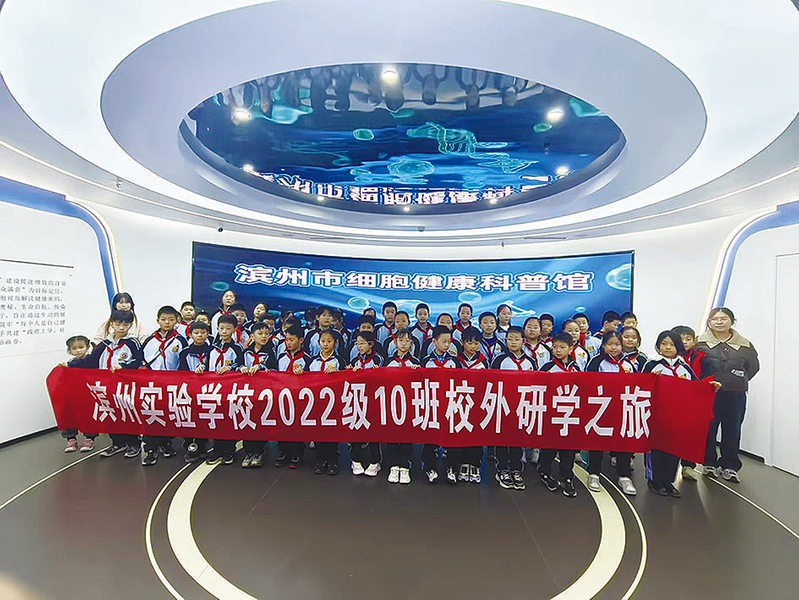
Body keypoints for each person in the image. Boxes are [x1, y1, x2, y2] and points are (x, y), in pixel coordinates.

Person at [697, 307, 759, 483]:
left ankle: (730, 466)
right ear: (709, 322)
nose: (719, 322)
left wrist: (735, 380)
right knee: (708, 429)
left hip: (735, 394)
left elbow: (752, 368)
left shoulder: (745, 344)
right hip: (708, 394)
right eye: (715, 319)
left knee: (733, 430)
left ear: (732, 322)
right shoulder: (699, 343)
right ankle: (709, 462)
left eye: (723, 318)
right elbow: (694, 366)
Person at [642, 330, 703, 497]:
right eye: (664, 344)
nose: (668, 347)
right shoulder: (652, 365)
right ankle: (654, 480)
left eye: (672, 344)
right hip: (657, 416)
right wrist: (651, 379)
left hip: (678, 417)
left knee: (674, 449)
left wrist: (710, 387)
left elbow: (696, 387)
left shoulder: (684, 367)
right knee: (656, 448)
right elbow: (640, 386)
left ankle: (668, 480)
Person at [77, 310, 143, 458]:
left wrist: (124, 367)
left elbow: (138, 360)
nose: (121, 327)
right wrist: (70, 364)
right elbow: (91, 360)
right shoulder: (104, 344)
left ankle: (134, 444)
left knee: (127, 414)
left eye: (126, 324)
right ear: (112, 324)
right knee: (111, 415)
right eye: (118, 324)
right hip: (105, 387)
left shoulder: (133, 343)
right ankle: (118, 443)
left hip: (125, 387)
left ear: (130, 325)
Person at [585, 331, 637, 496]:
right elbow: (588, 383)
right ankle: (594, 473)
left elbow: (637, 384)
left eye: (617, 344)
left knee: (623, 441)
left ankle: (624, 476)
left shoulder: (628, 364)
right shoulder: (596, 362)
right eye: (610, 344)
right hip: (601, 408)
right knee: (597, 441)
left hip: (622, 408)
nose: (614, 348)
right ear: (603, 345)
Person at [140, 306, 187, 465]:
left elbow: (183, 363)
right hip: (152, 385)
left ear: (176, 321)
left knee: (168, 414)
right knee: (151, 414)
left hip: (172, 385)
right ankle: (150, 449)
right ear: (158, 320)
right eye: (164, 319)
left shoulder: (181, 340)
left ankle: (166, 443)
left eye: (171, 319)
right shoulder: (149, 341)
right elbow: (141, 360)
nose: (167, 322)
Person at [537, 331, 581, 498]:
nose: (558, 350)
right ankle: (544, 471)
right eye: (555, 347)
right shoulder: (547, 367)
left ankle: (567, 476)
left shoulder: (576, 368)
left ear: (571, 348)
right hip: (551, 413)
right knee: (549, 446)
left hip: (569, 413)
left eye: (562, 347)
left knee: (568, 448)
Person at [491, 325, 535, 491]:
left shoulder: (530, 362)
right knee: (502, 440)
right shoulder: (499, 360)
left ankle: (516, 470)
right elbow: (491, 383)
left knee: (517, 440)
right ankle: (502, 469)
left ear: (523, 341)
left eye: (517, 339)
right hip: (503, 406)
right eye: (510, 339)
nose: (513, 342)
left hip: (522, 407)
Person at [421, 325, 460, 484]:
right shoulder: (426, 361)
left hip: (450, 403)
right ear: (434, 341)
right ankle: (429, 467)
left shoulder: (454, 361)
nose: (447, 344)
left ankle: (452, 468)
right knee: (431, 438)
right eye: (443, 341)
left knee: (452, 438)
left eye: (449, 341)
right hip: (432, 404)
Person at [205, 315, 245, 466]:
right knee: (216, 418)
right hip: (213, 389)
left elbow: (241, 366)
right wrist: (201, 367)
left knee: (229, 419)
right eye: (221, 328)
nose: (224, 331)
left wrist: (230, 368)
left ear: (234, 329)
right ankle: (217, 449)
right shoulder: (212, 348)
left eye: (228, 328)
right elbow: (206, 364)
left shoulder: (237, 348)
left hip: (230, 390)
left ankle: (229, 450)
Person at [239, 322, 277, 468]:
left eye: (266, 334)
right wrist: (242, 368)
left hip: (263, 392)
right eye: (260, 333)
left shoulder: (271, 352)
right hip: (247, 392)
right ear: (252, 336)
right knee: (247, 420)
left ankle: (259, 451)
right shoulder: (245, 352)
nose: (263, 336)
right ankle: (248, 452)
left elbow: (275, 369)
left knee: (260, 421)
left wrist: (261, 367)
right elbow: (237, 365)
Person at [309, 330, 347, 476]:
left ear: (335, 344)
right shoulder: (312, 361)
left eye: (329, 341)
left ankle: (332, 460)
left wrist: (336, 374)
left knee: (331, 432)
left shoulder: (339, 361)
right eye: (323, 341)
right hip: (315, 401)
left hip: (333, 402)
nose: (325, 344)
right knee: (318, 431)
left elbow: (346, 380)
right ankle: (320, 460)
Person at [384, 329, 419, 484]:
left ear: (411, 343)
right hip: (392, 404)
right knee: (392, 435)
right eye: (401, 340)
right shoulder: (388, 361)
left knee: (406, 436)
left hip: (409, 404)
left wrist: (418, 373)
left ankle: (405, 466)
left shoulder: (416, 362)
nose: (404, 343)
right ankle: (393, 466)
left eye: (407, 341)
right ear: (395, 342)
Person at [275, 323, 311, 469]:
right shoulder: (281, 357)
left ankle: (297, 454)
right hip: (282, 396)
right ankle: (283, 452)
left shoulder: (307, 359)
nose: (288, 343)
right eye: (286, 340)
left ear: (300, 340)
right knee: (281, 425)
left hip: (298, 397)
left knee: (296, 426)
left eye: (291, 340)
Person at [454, 326, 486, 484]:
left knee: (476, 434)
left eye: (476, 343)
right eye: (469, 343)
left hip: (477, 403)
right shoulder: (455, 361)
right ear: (462, 342)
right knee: (460, 433)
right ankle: (462, 463)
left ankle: (475, 464)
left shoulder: (483, 361)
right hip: (459, 403)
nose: (473, 346)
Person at [348, 330, 383, 476]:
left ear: (371, 344)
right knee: (355, 430)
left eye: (362, 343)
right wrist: (350, 372)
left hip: (374, 401)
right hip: (358, 400)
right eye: (357, 343)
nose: (359, 346)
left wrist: (374, 372)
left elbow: (383, 377)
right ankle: (355, 460)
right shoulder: (354, 359)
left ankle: (375, 461)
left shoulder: (378, 359)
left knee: (374, 433)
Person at [177, 321, 213, 462]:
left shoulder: (212, 351)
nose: (200, 335)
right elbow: (182, 372)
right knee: (190, 417)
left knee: (204, 417)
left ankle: (202, 445)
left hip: (207, 390)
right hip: (190, 390)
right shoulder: (184, 353)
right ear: (190, 334)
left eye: (203, 332)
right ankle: (189, 446)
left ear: (207, 334)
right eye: (196, 333)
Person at [59, 335, 98, 453]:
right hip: (74, 394)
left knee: (88, 415)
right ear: (70, 350)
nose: (78, 350)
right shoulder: (70, 362)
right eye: (74, 348)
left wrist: (68, 366)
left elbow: (83, 364)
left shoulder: (90, 360)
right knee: (68, 414)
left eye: (81, 347)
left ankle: (89, 439)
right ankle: (71, 439)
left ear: (87, 347)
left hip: (88, 394)